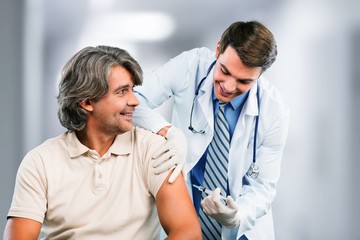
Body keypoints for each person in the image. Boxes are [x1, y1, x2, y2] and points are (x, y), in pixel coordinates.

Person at [3, 46, 202, 240]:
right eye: (122, 91)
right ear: (87, 102)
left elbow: (188, 233)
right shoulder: (40, 162)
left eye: (132, 90)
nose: (135, 101)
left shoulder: (153, 150)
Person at [133, 20, 289, 240]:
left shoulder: (274, 111)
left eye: (244, 81)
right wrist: (168, 131)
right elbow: (133, 99)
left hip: (242, 231)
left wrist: (236, 217)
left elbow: (263, 187)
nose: (229, 86)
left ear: (260, 75)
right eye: (224, 71)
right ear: (218, 50)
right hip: (187, 219)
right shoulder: (191, 66)